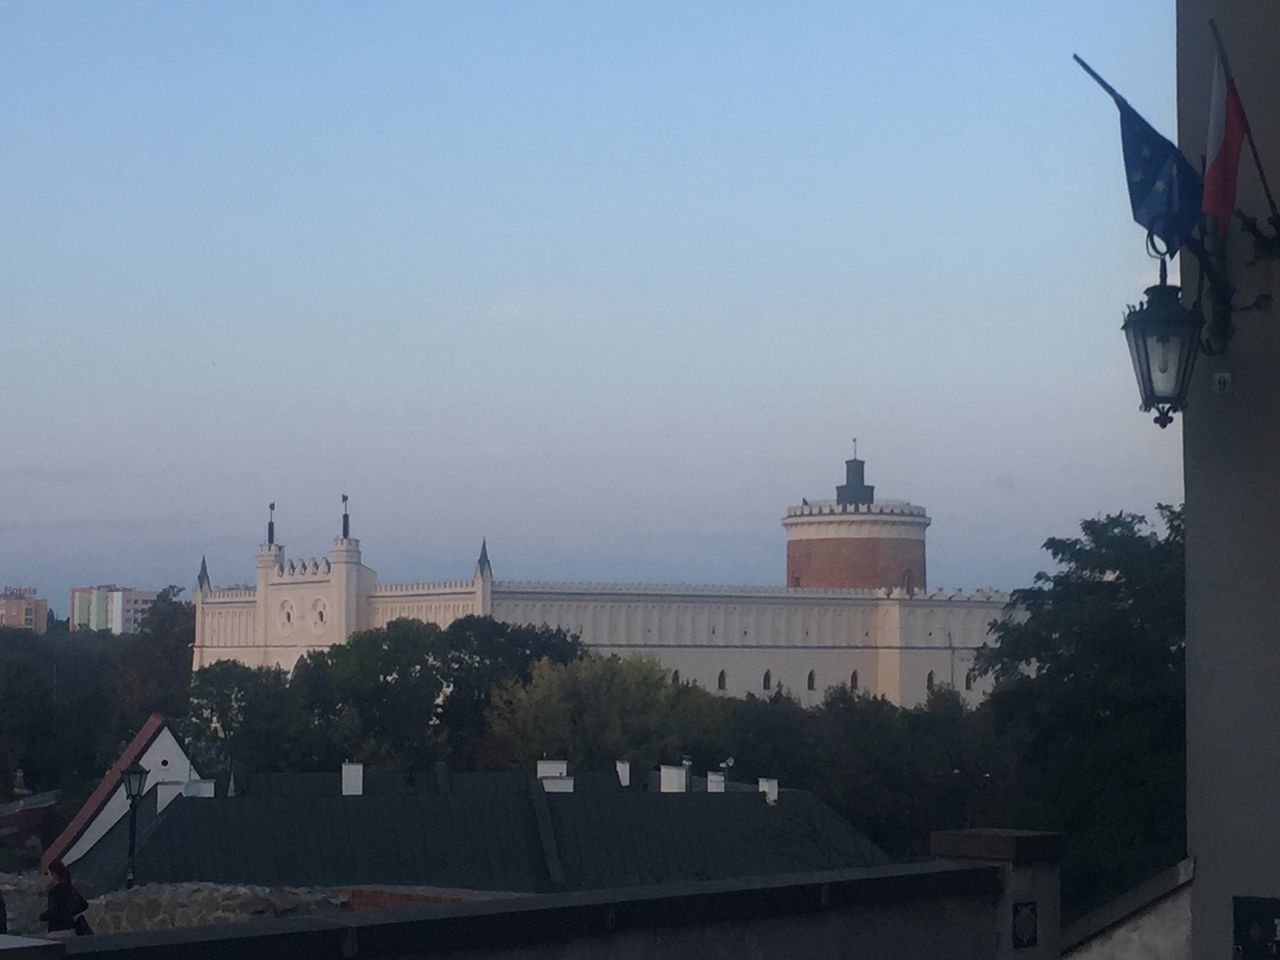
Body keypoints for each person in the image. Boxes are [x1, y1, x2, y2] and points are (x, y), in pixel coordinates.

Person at [39, 860, 88, 935]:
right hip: (71, 928)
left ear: (54, 875)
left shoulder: (54, 891)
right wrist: (70, 913)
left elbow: (54, 911)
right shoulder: (70, 888)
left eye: (47, 874)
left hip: (57, 930)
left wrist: (43, 917)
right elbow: (84, 905)